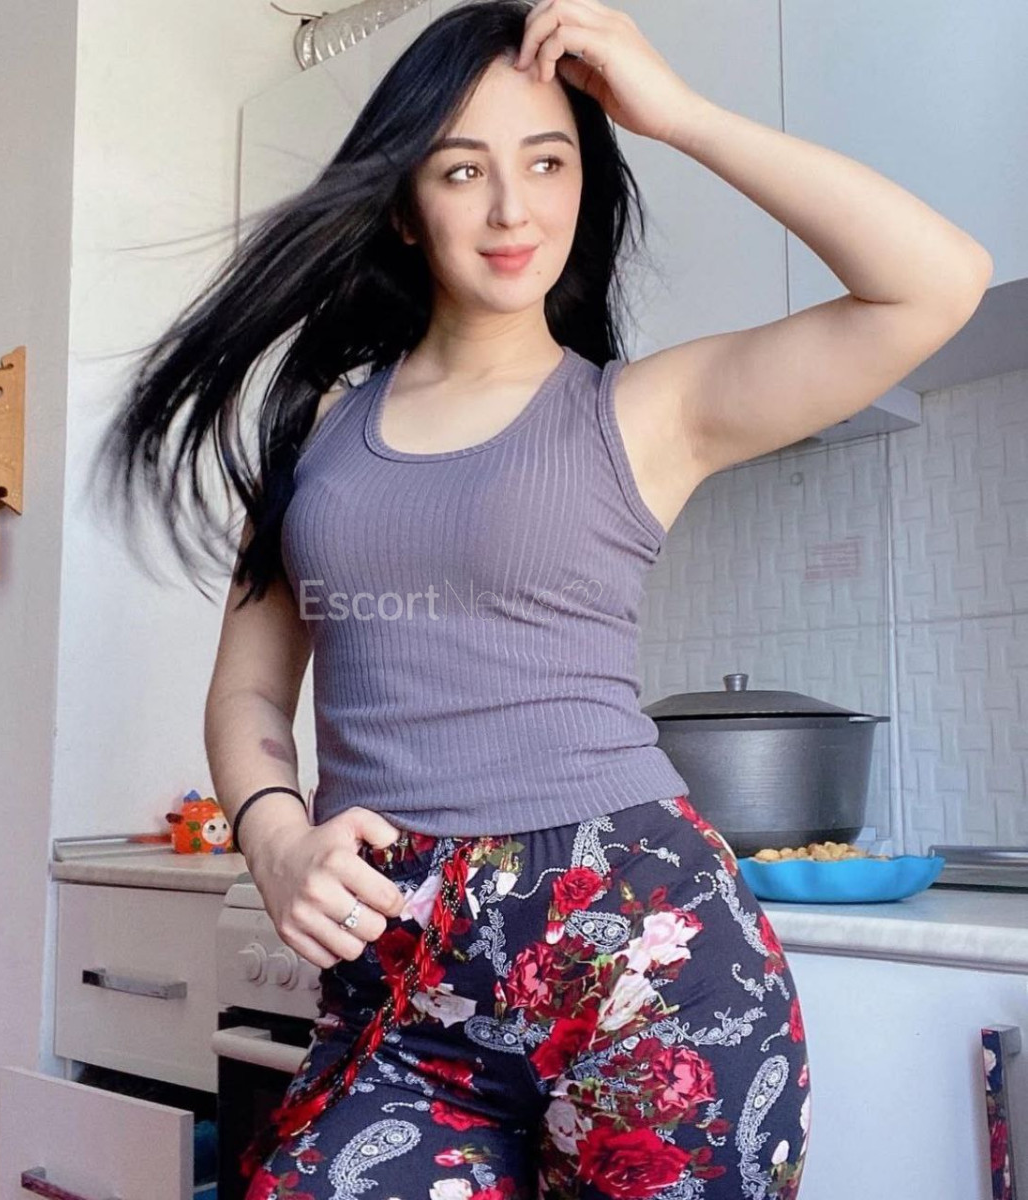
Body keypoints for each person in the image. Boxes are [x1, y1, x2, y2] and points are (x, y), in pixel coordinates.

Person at [90, 0, 991, 1195]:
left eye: (547, 161)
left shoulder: (643, 412)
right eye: (463, 170)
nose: (512, 209)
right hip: (397, 985)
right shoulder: (309, 432)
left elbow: (935, 283)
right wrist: (271, 835)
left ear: (583, 183)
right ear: (405, 204)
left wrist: (681, 115)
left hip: (649, 975)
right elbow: (249, 687)